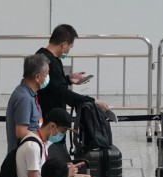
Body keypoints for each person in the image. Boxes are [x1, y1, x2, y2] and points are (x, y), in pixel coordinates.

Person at [35, 25, 111, 163]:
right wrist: (92, 101)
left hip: (49, 117)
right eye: (70, 46)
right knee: (52, 161)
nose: (69, 50)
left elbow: (52, 85)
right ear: (64, 44)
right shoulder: (49, 61)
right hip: (50, 120)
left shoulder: (42, 56)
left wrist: (68, 79)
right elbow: (63, 94)